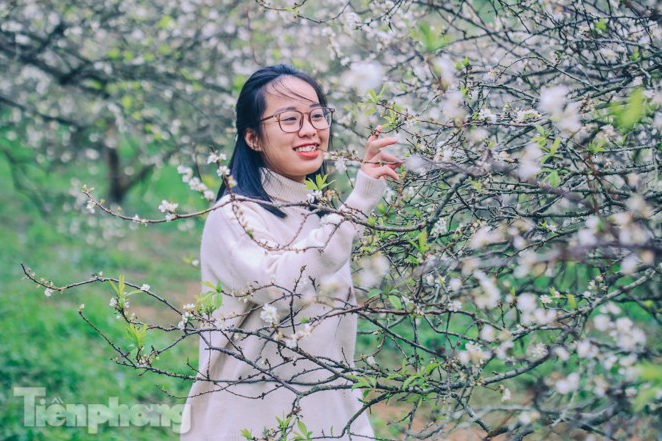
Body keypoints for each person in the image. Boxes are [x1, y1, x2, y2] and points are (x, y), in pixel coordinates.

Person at [182, 64, 400, 441]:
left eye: (317, 115)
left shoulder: (319, 215)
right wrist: (358, 202)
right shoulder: (234, 215)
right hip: (248, 423)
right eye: (289, 119)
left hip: (326, 416)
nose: (309, 129)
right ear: (253, 137)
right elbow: (284, 288)